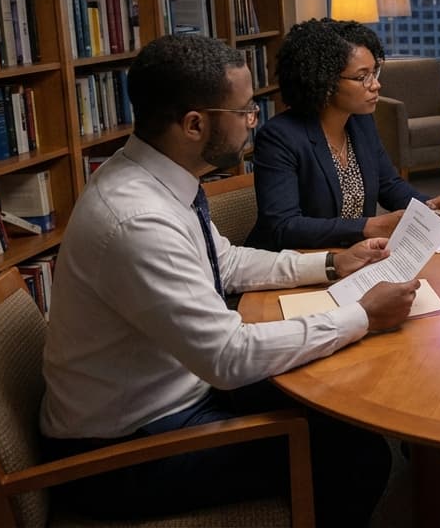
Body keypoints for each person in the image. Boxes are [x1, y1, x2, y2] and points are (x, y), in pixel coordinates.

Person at [40, 34, 419, 525]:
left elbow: (228, 262)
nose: (253, 121)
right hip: (123, 450)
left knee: (339, 400)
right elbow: (228, 357)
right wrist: (362, 316)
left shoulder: (156, 177)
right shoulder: (138, 220)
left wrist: (332, 263)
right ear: (194, 124)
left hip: (178, 387)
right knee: (356, 457)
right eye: (243, 111)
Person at [247, 18, 440, 251]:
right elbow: (284, 227)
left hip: (351, 256)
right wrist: (368, 227)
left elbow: (389, 185)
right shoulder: (279, 138)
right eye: (362, 77)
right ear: (325, 82)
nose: (375, 85)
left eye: (375, 72)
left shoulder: (360, 122)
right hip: (296, 261)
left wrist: (426, 205)